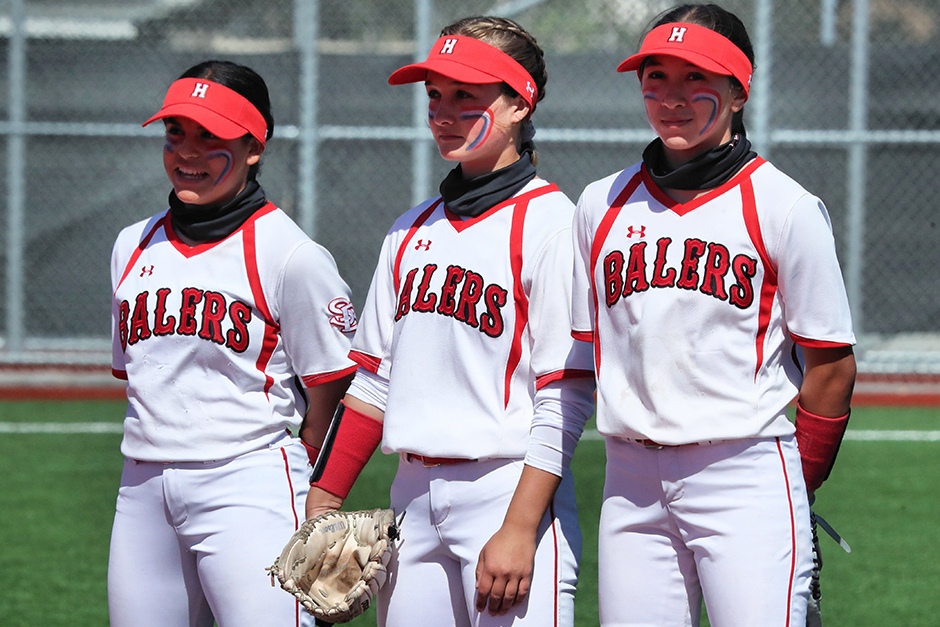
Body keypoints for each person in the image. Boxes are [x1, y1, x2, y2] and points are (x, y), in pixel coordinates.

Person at [303, 16, 596, 627]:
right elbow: (374, 382)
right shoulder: (410, 228)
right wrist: (323, 499)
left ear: (519, 103)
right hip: (411, 497)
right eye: (435, 94)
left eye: (467, 95)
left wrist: (520, 527)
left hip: (507, 488)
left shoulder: (551, 224)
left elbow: (564, 395)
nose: (443, 111)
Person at [570, 5, 857, 626]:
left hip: (745, 473)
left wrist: (794, 492)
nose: (672, 98)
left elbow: (831, 369)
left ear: (736, 89)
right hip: (629, 481)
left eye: (694, 78)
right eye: (656, 77)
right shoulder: (600, 203)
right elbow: (581, 354)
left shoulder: (785, 206)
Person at [107, 60, 358, 627]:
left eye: (209, 136)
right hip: (141, 488)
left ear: (253, 146)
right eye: (176, 132)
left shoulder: (290, 255)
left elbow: (334, 392)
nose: (186, 152)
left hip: (249, 485)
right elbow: (141, 376)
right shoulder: (132, 245)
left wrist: (318, 500)